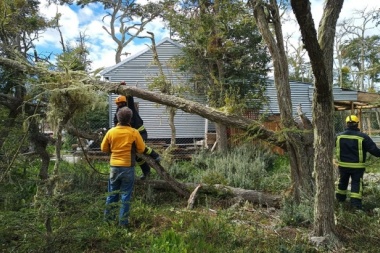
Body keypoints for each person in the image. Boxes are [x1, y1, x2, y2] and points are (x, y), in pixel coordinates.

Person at [101, 107, 152, 226]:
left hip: (114, 166)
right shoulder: (134, 132)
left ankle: (108, 220)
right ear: (130, 119)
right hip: (128, 166)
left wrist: (112, 149)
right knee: (125, 195)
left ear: (118, 118)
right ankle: (123, 223)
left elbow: (104, 148)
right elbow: (141, 148)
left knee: (112, 194)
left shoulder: (111, 132)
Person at [335, 115, 380, 210]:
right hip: (357, 167)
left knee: (342, 182)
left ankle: (339, 202)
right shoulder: (363, 137)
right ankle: (356, 206)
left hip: (343, 166)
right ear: (357, 124)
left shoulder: (338, 136)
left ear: (347, 124)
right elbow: (374, 151)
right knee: (356, 184)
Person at [114, 94, 161, 180]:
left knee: (141, 147)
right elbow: (115, 123)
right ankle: (146, 171)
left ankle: (155, 155)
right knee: (137, 156)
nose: (120, 105)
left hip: (140, 132)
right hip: (131, 134)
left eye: (122, 103)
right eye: (118, 103)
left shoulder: (129, 108)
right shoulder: (118, 112)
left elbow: (130, 99)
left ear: (125, 102)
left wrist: (125, 90)